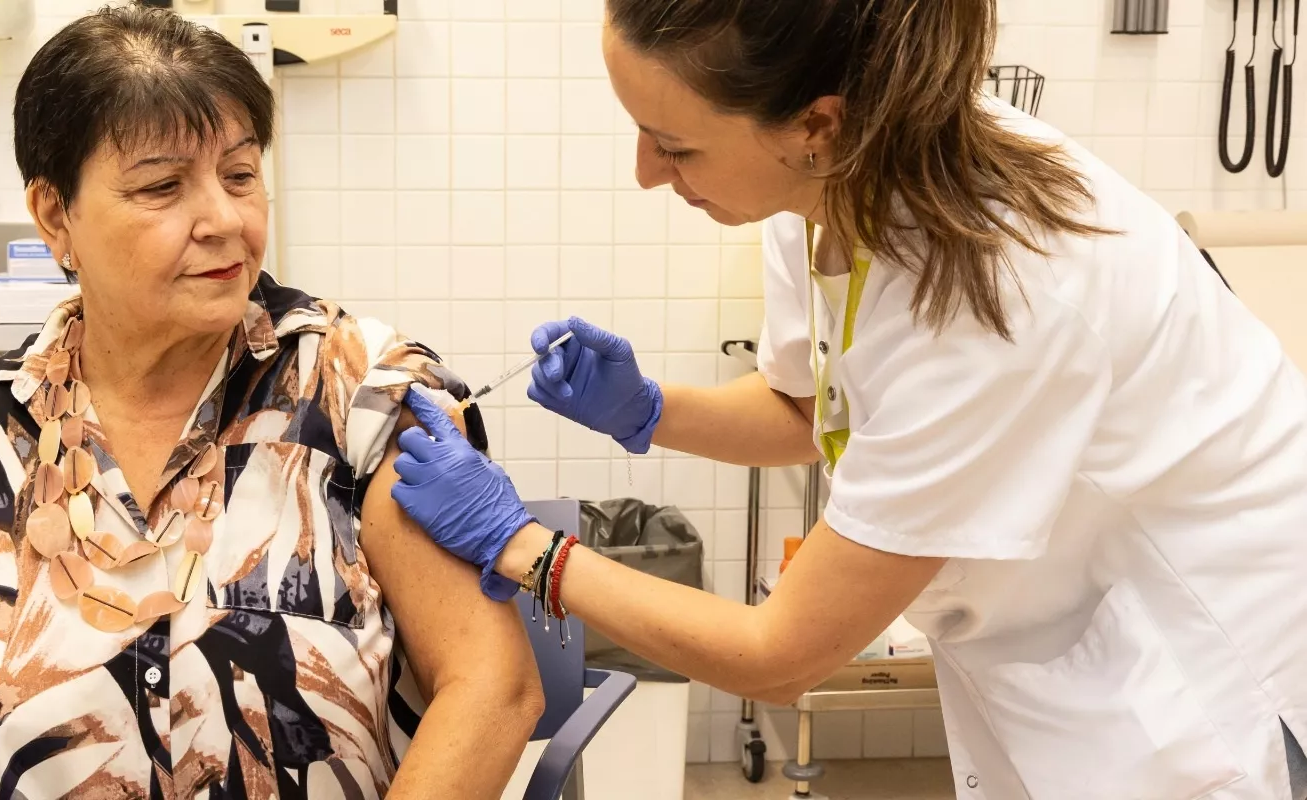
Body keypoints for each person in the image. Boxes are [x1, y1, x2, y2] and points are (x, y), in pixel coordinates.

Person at [392, 1, 1307, 797]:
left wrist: (521, 545)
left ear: (817, 126)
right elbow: (814, 414)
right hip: (1079, 660)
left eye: (674, 146)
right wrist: (648, 410)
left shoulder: (998, 298)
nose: (646, 171)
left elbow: (781, 656)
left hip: (1213, 677)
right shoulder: (826, 185)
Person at [0, 7, 541, 798]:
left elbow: (492, 689)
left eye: (240, 175)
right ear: (56, 215)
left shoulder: (360, 399)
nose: (226, 220)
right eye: (163, 186)